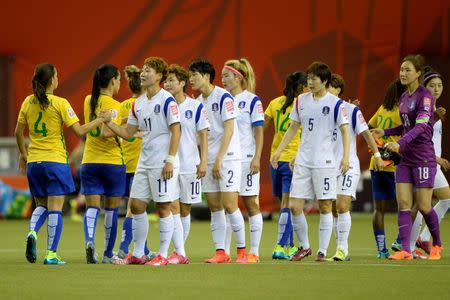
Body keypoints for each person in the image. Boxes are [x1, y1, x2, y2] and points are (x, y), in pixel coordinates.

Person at [16, 63, 106, 265]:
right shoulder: (60, 103)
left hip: (35, 163)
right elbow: (81, 131)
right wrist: (100, 119)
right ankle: (51, 254)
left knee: (41, 205)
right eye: (56, 75)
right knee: (55, 207)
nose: (58, 78)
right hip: (55, 161)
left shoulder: (27, 102)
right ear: (52, 81)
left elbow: (17, 132)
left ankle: (32, 232)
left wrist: (23, 154)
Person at [103, 57, 181, 266]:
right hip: (144, 162)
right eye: (143, 70)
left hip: (162, 162)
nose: (143, 74)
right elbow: (128, 133)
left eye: (148, 70)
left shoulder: (167, 100)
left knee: (163, 207)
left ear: (159, 76)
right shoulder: (137, 104)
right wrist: (109, 123)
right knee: (136, 206)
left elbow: (176, 131)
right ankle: (137, 253)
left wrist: (170, 160)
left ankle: (163, 256)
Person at [271, 61, 351, 262]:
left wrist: (346, 156)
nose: (310, 82)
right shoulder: (301, 101)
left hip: (325, 162)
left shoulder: (336, 104)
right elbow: (293, 128)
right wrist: (279, 151)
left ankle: (322, 251)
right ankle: (305, 246)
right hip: (302, 160)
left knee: (325, 206)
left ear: (324, 81)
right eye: (309, 78)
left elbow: (345, 131)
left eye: (314, 78)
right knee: (294, 205)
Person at [372, 54, 442, 260]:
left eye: (407, 70)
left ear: (418, 73)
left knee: (423, 206)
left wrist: (399, 143)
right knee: (403, 204)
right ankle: (405, 250)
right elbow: (405, 126)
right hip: (405, 160)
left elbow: (421, 127)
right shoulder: (404, 97)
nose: (403, 73)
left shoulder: (425, 97)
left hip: (423, 158)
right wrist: (384, 132)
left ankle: (437, 244)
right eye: (401, 69)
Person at [188, 59, 247, 263]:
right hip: (209, 158)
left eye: (194, 75)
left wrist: (220, 158)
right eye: (189, 76)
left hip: (228, 157)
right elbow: (199, 134)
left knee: (230, 204)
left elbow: (229, 129)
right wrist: (203, 159)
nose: (191, 79)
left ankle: (242, 251)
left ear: (205, 76)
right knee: (214, 205)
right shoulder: (197, 103)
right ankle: (221, 252)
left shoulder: (224, 97)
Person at [328, 74, 384, 261]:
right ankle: (339, 249)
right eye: (326, 86)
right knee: (334, 207)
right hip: (327, 166)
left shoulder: (351, 110)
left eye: (331, 87)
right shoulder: (322, 110)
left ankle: (343, 249)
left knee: (343, 205)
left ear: (338, 90)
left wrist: (376, 155)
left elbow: (367, 134)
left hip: (348, 164)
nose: (328, 90)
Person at [163, 64, 209, 264]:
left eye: (171, 80)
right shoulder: (164, 105)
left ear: (182, 83)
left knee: (185, 209)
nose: (167, 84)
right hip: (170, 165)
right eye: (166, 81)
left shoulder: (195, 106)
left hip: (191, 163)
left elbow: (204, 135)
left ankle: (178, 250)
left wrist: (203, 161)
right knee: (172, 206)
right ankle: (179, 251)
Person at [81, 64, 125, 264]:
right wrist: (125, 126)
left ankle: (90, 241)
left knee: (92, 208)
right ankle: (108, 253)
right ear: (113, 80)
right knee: (111, 209)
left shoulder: (88, 100)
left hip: (90, 160)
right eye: (119, 79)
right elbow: (108, 132)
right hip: (112, 162)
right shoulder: (115, 105)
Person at [221, 58, 264, 263]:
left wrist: (256, 157)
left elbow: (258, 131)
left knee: (251, 204)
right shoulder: (221, 99)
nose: (222, 80)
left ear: (238, 78)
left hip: (246, 159)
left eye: (226, 76)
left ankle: (254, 251)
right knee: (228, 205)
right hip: (228, 159)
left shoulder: (252, 100)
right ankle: (226, 252)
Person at [264, 72, 310, 260]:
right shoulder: (305, 105)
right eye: (306, 85)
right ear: (300, 87)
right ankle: (282, 246)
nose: (309, 87)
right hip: (294, 160)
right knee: (288, 204)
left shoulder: (275, 103)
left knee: (283, 204)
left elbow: (261, 127)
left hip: (275, 159)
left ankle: (286, 244)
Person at [410, 68, 450, 255]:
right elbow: (417, 138)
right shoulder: (423, 107)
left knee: (442, 199)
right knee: (421, 204)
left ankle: (422, 239)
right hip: (424, 161)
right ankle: (410, 246)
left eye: (439, 85)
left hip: (431, 163)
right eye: (432, 85)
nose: (436, 89)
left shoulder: (433, 107)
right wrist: (436, 158)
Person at [117, 65, 154, 260]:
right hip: (140, 164)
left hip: (122, 162)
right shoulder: (143, 105)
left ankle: (144, 250)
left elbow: (116, 129)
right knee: (135, 209)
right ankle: (123, 247)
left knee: (133, 209)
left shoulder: (122, 105)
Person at [367, 79, 404, 258]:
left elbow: (369, 128)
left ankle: (381, 250)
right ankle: (400, 240)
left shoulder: (383, 108)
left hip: (377, 163)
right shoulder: (404, 111)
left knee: (378, 209)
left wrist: (378, 147)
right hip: (396, 165)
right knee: (408, 206)